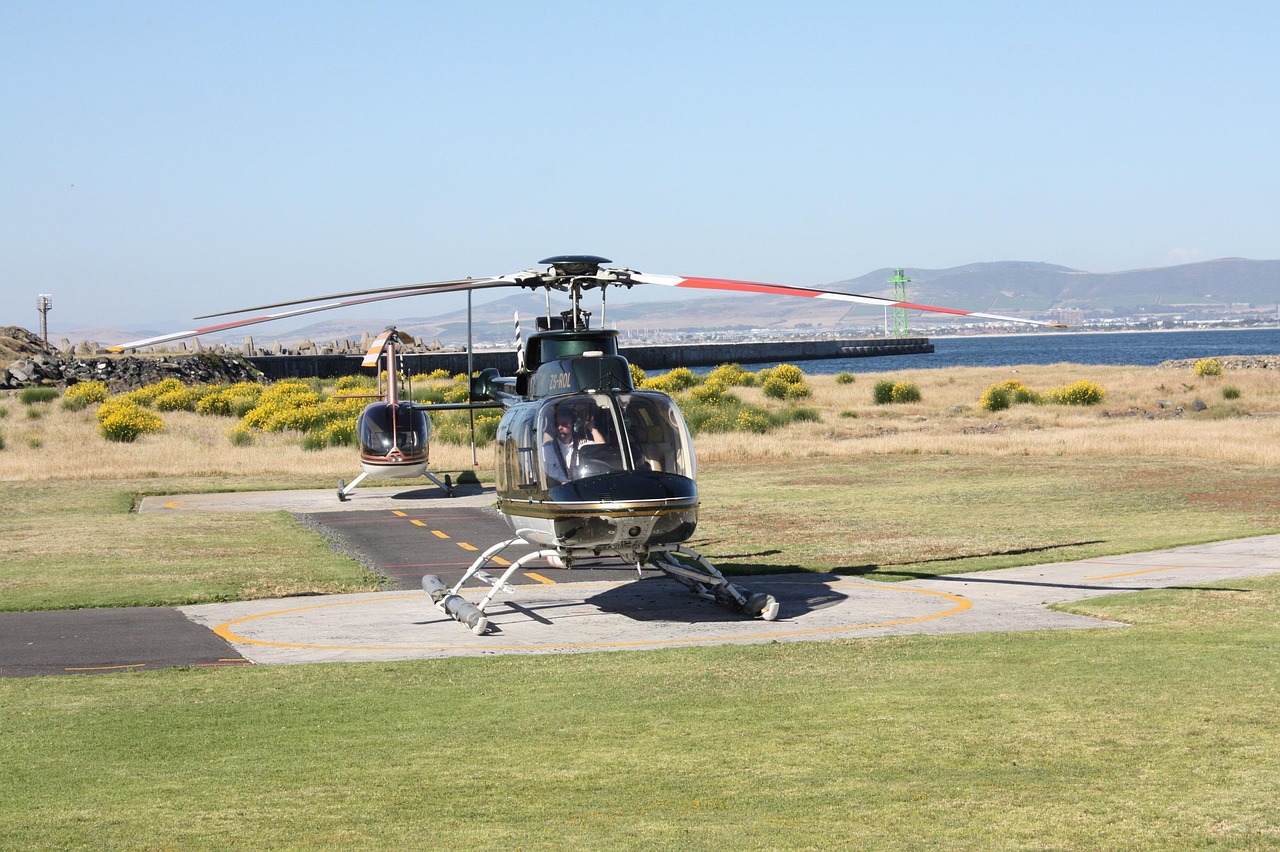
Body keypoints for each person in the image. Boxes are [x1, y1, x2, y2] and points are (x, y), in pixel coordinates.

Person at [542, 407, 596, 483]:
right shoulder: (548, 448)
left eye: (564, 424)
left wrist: (592, 429)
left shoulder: (581, 444)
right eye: (556, 425)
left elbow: (602, 449)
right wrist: (566, 482)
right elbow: (550, 473)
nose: (560, 428)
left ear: (573, 426)